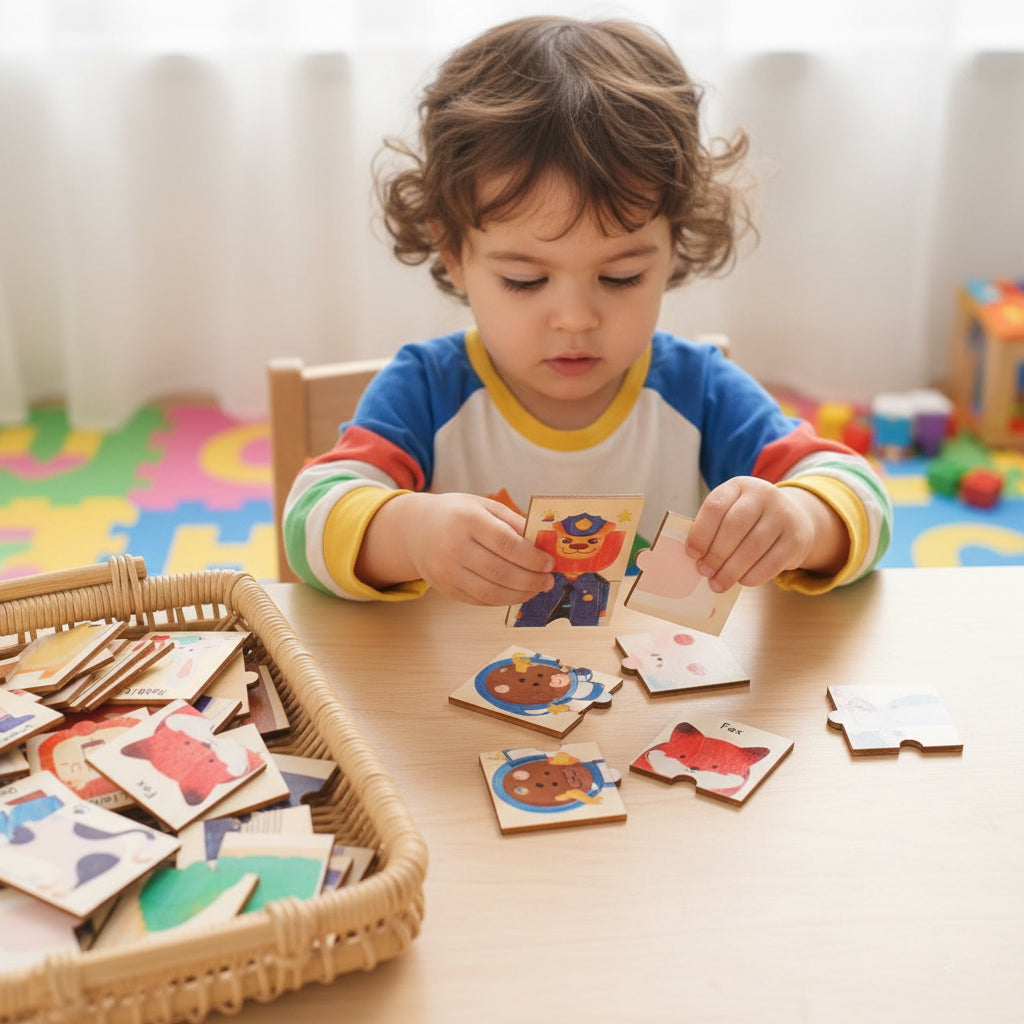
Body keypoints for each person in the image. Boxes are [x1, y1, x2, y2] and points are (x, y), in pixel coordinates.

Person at [283, 15, 892, 607]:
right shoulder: (428, 390)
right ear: (455, 254)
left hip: (651, 702)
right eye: (524, 280)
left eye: (621, 276)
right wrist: (410, 534)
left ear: (673, 246)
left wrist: (804, 523)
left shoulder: (697, 390)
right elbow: (309, 517)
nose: (575, 319)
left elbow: (862, 495)